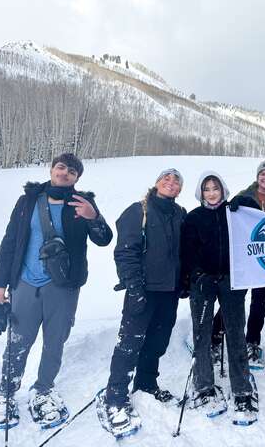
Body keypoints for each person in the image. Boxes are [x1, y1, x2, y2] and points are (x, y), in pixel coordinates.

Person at [0, 153, 113, 430]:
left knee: (55, 341)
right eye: (61, 167)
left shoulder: (83, 202)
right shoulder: (29, 200)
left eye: (72, 171)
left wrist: (94, 217)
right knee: (18, 341)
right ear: (52, 169)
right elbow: (10, 242)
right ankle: (5, 392)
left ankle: (43, 390)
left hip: (63, 287)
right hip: (25, 284)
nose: (65, 173)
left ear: (77, 178)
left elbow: (104, 239)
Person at [96, 168, 187, 438]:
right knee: (129, 344)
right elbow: (125, 252)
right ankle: (115, 396)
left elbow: (182, 251)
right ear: (157, 183)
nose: (171, 183)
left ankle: (146, 384)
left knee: (157, 342)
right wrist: (133, 285)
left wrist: (183, 281)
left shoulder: (179, 213)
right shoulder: (138, 211)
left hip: (168, 292)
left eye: (176, 181)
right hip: (143, 291)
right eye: (166, 178)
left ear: (180, 189)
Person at [182, 172, 260, 425]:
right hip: (203, 283)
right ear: (200, 193)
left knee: (236, 333)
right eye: (207, 189)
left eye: (216, 188)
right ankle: (204, 385)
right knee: (202, 335)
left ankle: (242, 388)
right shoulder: (193, 218)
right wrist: (196, 274)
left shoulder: (234, 212)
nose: (212, 193)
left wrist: (246, 203)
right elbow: (187, 252)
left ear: (224, 190)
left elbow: (257, 220)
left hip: (231, 281)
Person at [211, 159, 265, 369]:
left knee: (260, 301)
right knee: (233, 299)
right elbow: (226, 218)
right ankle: (214, 338)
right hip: (243, 257)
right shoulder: (244, 195)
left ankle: (252, 341)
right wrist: (231, 207)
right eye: (263, 174)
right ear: (257, 176)